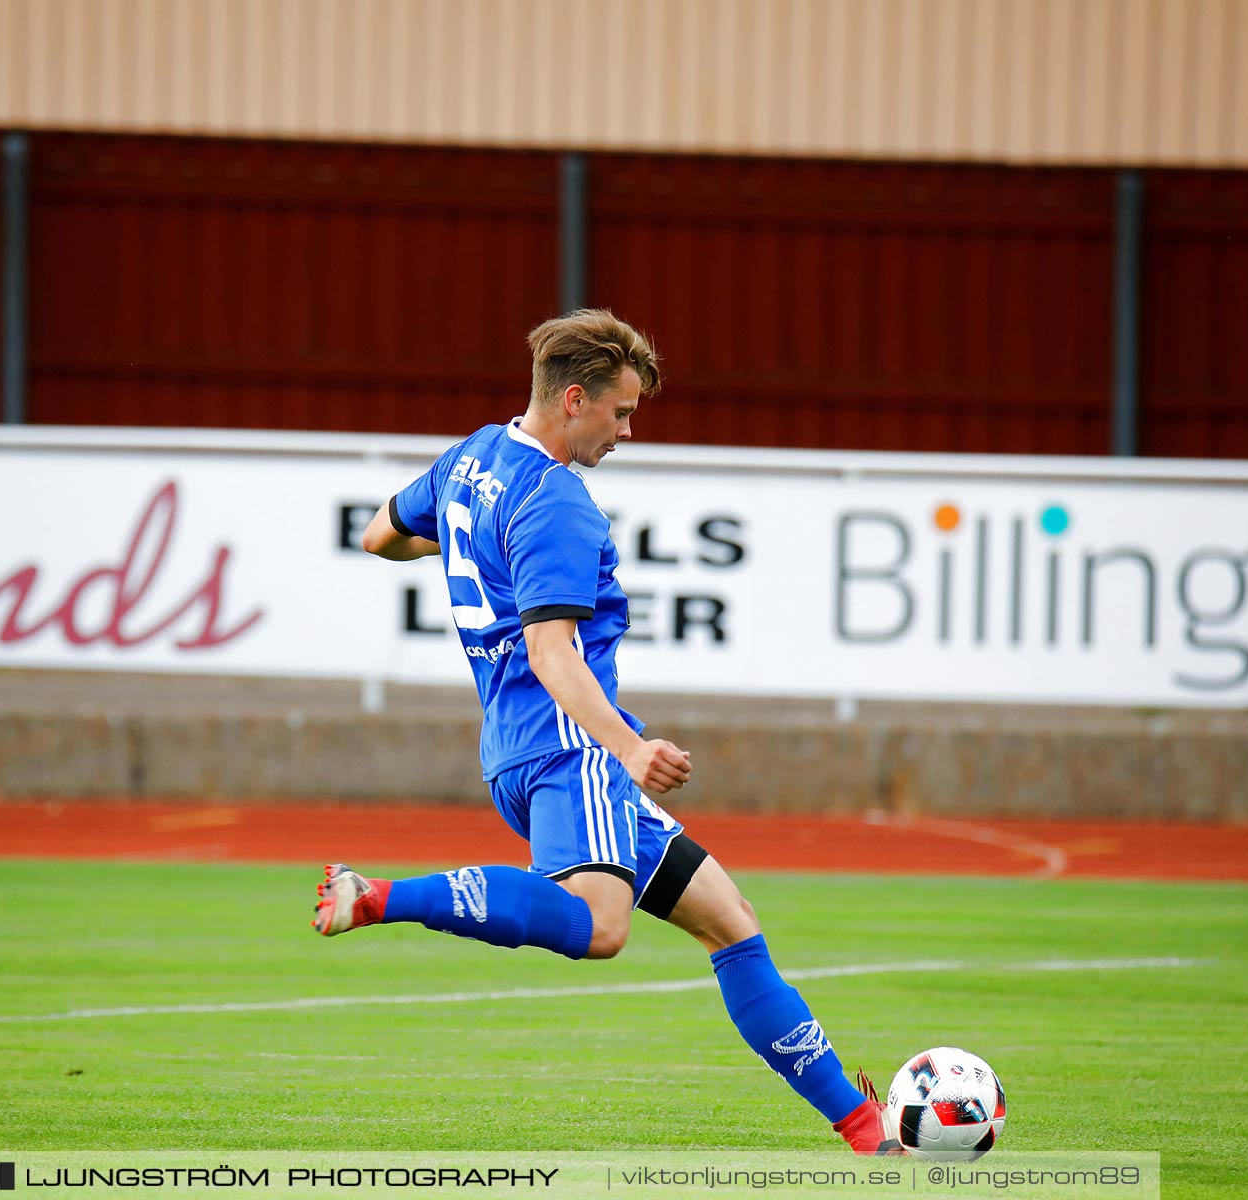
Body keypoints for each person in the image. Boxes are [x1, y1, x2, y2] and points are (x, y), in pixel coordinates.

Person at [313, 309, 900, 1156]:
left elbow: (380, 536)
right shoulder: (558, 503)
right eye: (621, 413)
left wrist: (468, 555)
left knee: (729, 920)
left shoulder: (472, 455)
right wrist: (626, 748)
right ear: (576, 399)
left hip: (514, 744)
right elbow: (554, 652)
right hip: (573, 746)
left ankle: (864, 1129)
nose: (627, 432)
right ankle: (380, 897)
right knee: (600, 928)